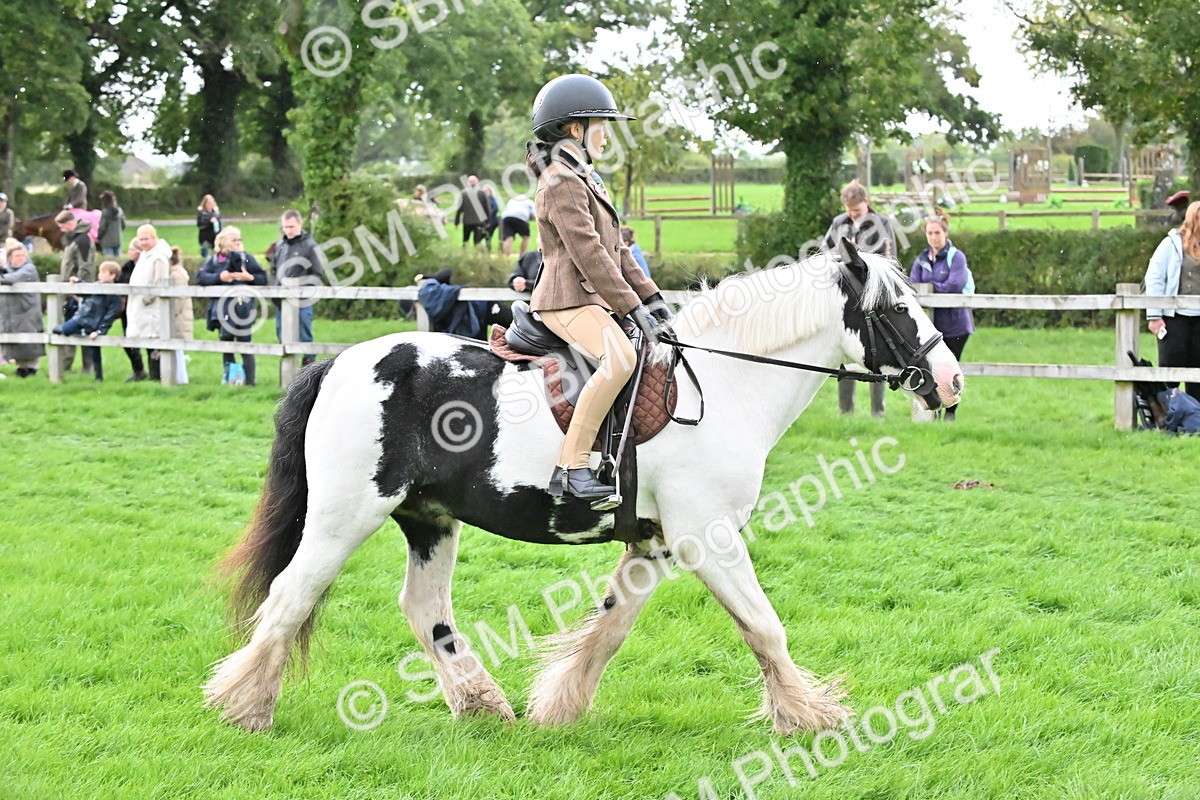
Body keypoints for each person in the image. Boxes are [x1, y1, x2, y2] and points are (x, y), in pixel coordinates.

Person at [526, 74, 672, 499]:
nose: (607, 136)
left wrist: (652, 298)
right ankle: (571, 468)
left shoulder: (583, 176)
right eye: (602, 126)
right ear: (576, 129)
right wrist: (631, 308)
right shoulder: (560, 180)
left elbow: (617, 250)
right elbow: (588, 252)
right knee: (621, 357)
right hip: (565, 299)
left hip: (588, 296)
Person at [822, 179, 897, 418]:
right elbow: (824, 252)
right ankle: (845, 411)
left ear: (867, 202)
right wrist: (841, 253)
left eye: (856, 209)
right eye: (849, 210)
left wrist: (860, 256)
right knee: (846, 353)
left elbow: (889, 259)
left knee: (877, 352)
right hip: (846, 296)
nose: (853, 214)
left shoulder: (881, 223)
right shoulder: (839, 223)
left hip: (873, 295)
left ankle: (878, 412)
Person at [910, 209, 974, 421]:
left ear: (945, 233)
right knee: (930, 369)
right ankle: (934, 410)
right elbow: (913, 285)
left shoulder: (956, 257)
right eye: (929, 233)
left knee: (951, 369)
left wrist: (929, 287)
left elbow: (955, 285)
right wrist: (935, 286)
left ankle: (951, 413)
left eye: (937, 233)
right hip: (930, 326)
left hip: (955, 324)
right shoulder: (921, 259)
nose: (933, 237)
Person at [197, 226, 267, 386]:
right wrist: (219, 277)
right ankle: (232, 380)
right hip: (222, 310)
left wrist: (249, 277)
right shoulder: (215, 260)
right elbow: (201, 277)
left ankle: (250, 382)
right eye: (234, 239)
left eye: (239, 239)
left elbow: (263, 278)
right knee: (226, 342)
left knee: (244, 342)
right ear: (223, 242)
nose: (238, 242)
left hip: (243, 310)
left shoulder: (246, 258)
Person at [1146, 201, 1200, 402]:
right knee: (1170, 369)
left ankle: (1196, 416)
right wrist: (1154, 315)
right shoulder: (1172, 244)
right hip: (1174, 318)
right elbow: (1155, 277)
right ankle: (1168, 413)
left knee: (1198, 373)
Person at [52, 261, 121, 381]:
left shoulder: (114, 294)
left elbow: (110, 315)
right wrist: (78, 282)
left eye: (103, 272)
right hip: (82, 318)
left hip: (95, 323)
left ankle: (98, 377)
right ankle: (72, 331)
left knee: (94, 349)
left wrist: (100, 331)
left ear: (112, 276)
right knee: (64, 329)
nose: (99, 274)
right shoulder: (96, 286)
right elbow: (86, 289)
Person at [272, 209, 325, 366]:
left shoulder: (310, 246)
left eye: (291, 227)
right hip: (281, 302)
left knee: (305, 338)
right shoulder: (280, 245)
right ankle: (288, 372)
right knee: (282, 337)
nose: (288, 231)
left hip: (303, 302)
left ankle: (308, 371)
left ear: (300, 224)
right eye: (285, 227)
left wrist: (299, 290)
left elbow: (317, 274)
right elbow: (274, 270)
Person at [126, 224, 172, 380]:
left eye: (146, 239)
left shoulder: (159, 257)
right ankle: (151, 377)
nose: (144, 242)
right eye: (141, 239)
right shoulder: (145, 255)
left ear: (154, 237)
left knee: (154, 342)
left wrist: (147, 298)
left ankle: (157, 377)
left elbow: (159, 281)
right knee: (146, 341)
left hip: (151, 307)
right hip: (140, 306)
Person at [56, 209, 96, 373]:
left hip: (78, 293)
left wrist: (80, 290)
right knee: (70, 327)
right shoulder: (73, 239)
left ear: (70, 223)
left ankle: (87, 367)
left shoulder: (82, 240)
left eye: (62, 226)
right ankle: (66, 366)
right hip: (71, 291)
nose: (61, 230)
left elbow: (85, 267)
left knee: (83, 328)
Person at [0, 239, 45, 377]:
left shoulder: (29, 269)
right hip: (12, 313)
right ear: (10, 257)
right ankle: (21, 368)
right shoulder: (7, 267)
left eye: (22, 255)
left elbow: (11, 278)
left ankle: (31, 369)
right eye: (16, 256)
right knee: (16, 343)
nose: (20, 258)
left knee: (30, 341)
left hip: (28, 310)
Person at [116, 241, 149, 381]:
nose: (129, 252)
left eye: (131, 249)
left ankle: (155, 372)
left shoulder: (145, 267)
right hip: (127, 309)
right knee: (128, 338)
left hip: (142, 307)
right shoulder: (126, 267)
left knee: (148, 339)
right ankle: (139, 370)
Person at [169, 246, 193, 383]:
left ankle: (180, 378)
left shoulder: (175, 275)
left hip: (178, 316)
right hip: (181, 315)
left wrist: (171, 314)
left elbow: (179, 298)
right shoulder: (178, 272)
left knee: (176, 348)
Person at [454, 176, 490, 248]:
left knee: (465, 240)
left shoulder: (463, 194)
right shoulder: (481, 193)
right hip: (479, 221)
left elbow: (459, 209)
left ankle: (464, 252)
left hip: (467, 221)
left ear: (468, 183)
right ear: (477, 182)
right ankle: (477, 253)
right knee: (477, 241)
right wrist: (488, 221)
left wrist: (456, 222)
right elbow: (487, 208)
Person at [499, 193, 536, 258]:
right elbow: (535, 213)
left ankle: (506, 257)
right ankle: (522, 257)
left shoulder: (512, 200)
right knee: (526, 237)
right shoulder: (529, 201)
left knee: (509, 238)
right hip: (521, 218)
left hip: (506, 217)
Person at [97, 190, 125, 256]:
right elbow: (123, 225)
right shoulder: (120, 211)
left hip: (107, 242)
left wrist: (98, 237)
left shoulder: (105, 212)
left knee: (109, 260)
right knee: (118, 261)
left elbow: (103, 227)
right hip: (118, 240)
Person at [481, 186, 501, 251]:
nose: (485, 192)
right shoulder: (481, 199)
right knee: (480, 236)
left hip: (491, 221)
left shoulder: (492, 199)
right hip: (482, 221)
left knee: (488, 236)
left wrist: (487, 215)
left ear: (490, 191)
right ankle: (482, 249)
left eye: (487, 191)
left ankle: (488, 250)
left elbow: (495, 209)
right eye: (484, 191)